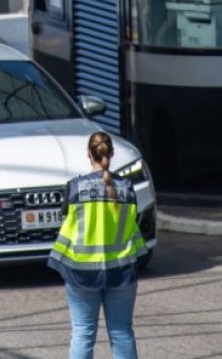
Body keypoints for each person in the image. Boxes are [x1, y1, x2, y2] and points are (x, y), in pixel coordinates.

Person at [48, 132, 148, 359]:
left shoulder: (74, 188)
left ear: (88, 155)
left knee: (83, 334)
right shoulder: (127, 188)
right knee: (122, 332)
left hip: (81, 273)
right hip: (121, 271)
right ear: (111, 154)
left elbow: (66, 220)